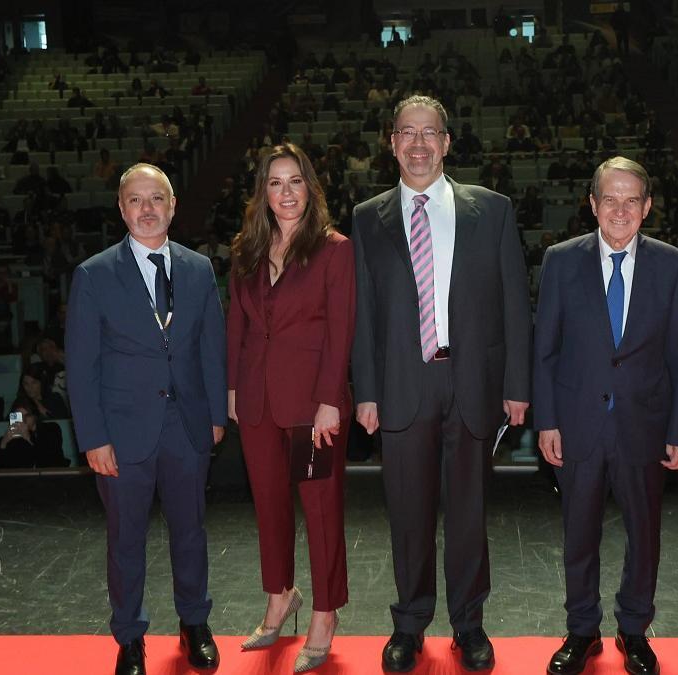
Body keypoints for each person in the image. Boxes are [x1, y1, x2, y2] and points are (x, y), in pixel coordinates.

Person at [352, 95, 532, 673]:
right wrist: (366, 390)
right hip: (403, 384)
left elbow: (513, 303)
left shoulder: (494, 210)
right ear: (392, 143)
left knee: (469, 513)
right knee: (407, 513)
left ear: (448, 143)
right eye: (408, 133)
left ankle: (469, 623)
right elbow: (363, 316)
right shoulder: (366, 219)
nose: (419, 144)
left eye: (431, 133)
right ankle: (408, 623)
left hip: (475, 383)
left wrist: (517, 384)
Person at [66, 163, 226, 675]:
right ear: (121, 208)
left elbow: (212, 350)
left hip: (188, 425)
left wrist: (216, 416)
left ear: (172, 206)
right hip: (121, 431)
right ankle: (130, 637)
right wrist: (92, 437)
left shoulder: (200, 269)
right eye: (136, 200)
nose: (147, 208)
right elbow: (81, 365)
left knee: (191, 532)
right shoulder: (93, 274)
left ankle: (194, 623)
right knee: (126, 539)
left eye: (156, 198)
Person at [533, 157, 678, 675]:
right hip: (576, 424)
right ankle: (581, 630)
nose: (619, 209)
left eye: (631, 200)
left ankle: (633, 629)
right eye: (609, 198)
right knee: (579, 533)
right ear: (592, 204)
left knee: (645, 535)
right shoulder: (560, 260)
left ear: (647, 208)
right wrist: (547, 421)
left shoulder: (673, 265)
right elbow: (546, 350)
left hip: (645, 427)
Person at [226, 143, 355, 672]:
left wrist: (329, 401)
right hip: (256, 400)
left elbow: (341, 333)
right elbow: (237, 322)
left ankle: (326, 613)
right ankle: (280, 597)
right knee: (269, 507)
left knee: (321, 512)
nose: (286, 192)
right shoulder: (246, 251)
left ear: (310, 188)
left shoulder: (334, 250)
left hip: (311, 408)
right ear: (263, 193)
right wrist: (233, 389)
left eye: (295, 181)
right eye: (275, 183)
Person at [0, 399, 68, 468]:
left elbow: (49, 461)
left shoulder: (51, 429)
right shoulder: (11, 437)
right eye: (19, 416)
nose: (23, 420)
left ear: (35, 416)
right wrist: (4, 443)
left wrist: (28, 439)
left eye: (27, 415)